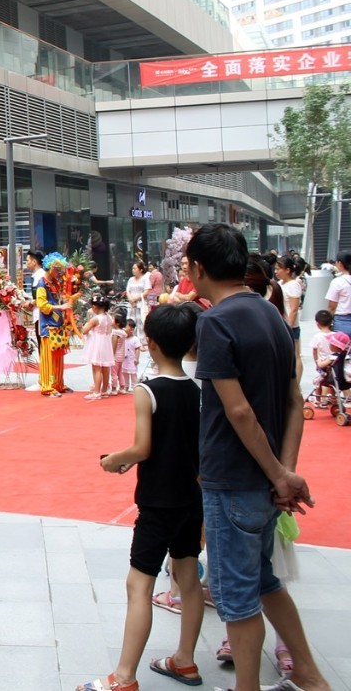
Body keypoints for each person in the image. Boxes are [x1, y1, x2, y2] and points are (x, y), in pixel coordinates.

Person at [186, 223, 331, 691]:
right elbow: (294, 401)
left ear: (198, 267)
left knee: (236, 596)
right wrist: (284, 473)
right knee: (265, 579)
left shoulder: (214, 321)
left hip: (233, 479)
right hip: (266, 483)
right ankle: (307, 672)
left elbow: (238, 411)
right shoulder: (271, 314)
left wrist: (277, 473)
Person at [81, 303, 205, 691]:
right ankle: (185, 660)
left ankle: (123, 677)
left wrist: (114, 460)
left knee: (140, 585)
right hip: (191, 498)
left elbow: (142, 447)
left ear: (149, 344)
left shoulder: (147, 390)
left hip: (158, 502)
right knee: (187, 578)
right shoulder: (200, 390)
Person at [35, 254, 74, 397]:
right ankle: (47, 386)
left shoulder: (55, 283)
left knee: (58, 356)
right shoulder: (41, 284)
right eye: (57, 269)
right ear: (51, 267)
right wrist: (60, 307)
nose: (59, 273)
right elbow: (42, 306)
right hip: (47, 327)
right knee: (48, 358)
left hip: (57, 325)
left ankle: (58, 383)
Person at [81, 296, 114, 400]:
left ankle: (96, 391)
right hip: (106, 342)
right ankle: (104, 390)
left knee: (97, 368)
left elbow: (84, 330)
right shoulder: (109, 318)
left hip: (97, 343)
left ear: (94, 307)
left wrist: (86, 324)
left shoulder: (96, 319)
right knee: (105, 367)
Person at [277, 255, 304, 382]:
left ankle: (296, 382)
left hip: (290, 326)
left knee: (295, 356)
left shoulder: (293, 285)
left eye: (279, 269)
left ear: (287, 270)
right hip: (281, 324)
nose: (276, 271)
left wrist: (288, 326)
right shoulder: (279, 284)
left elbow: (294, 309)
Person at [324, 251, 351, 335]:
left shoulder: (337, 281)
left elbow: (332, 307)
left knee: (341, 347)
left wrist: (327, 322)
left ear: (340, 263)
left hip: (342, 321)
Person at [126, 262, 150, 329]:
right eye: (132, 268)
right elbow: (128, 291)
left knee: (141, 324)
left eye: (134, 268)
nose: (133, 270)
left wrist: (135, 299)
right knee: (130, 322)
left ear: (140, 270)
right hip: (131, 304)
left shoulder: (145, 279)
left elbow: (146, 291)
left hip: (140, 304)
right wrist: (131, 300)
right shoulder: (130, 279)